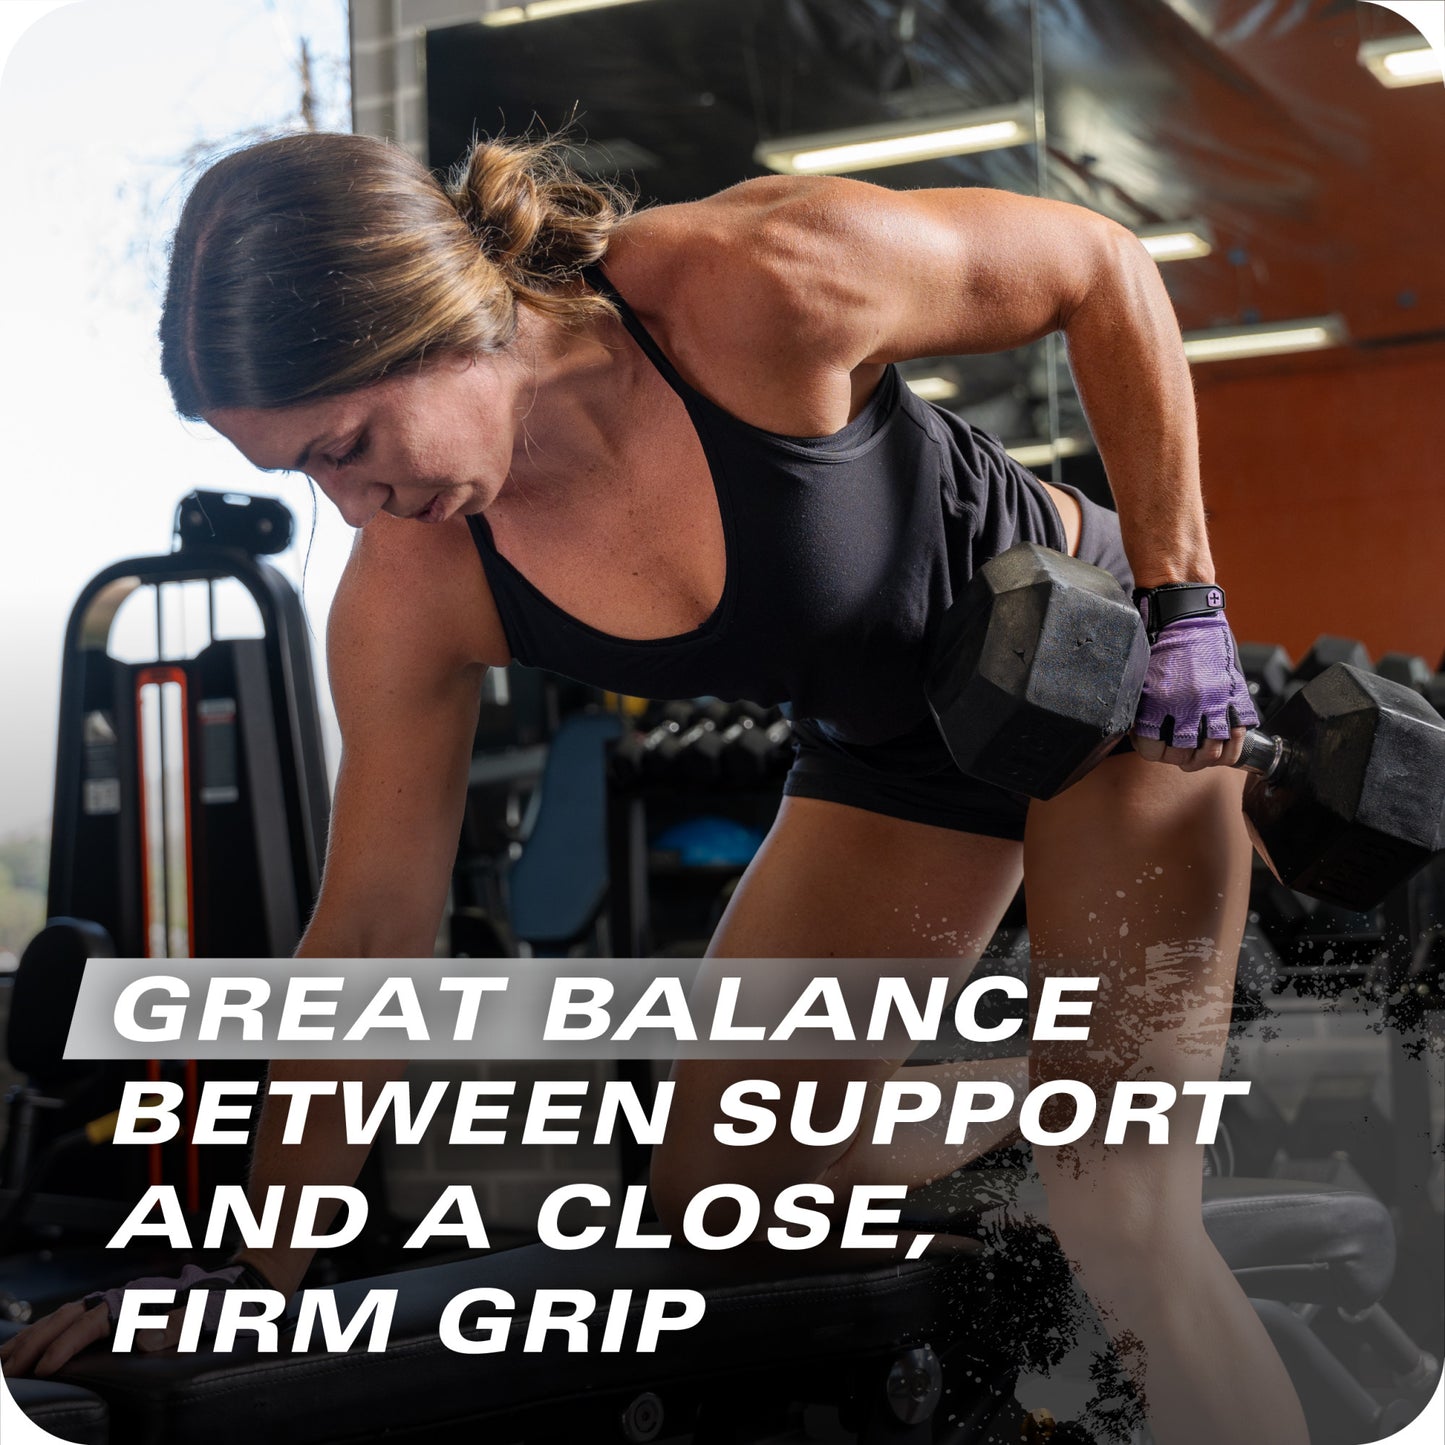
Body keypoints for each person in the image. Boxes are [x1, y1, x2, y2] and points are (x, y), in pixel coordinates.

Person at [1, 130, 1301, 1445]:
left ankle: (1096, 1121)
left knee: (1120, 1210)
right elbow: (371, 933)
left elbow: (1101, 264)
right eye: (302, 475)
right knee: (722, 1198)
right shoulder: (417, 583)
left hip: (1103, 686)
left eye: (345, 443)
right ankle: (1042, 1082)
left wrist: (1185, 598)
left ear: (430, 322)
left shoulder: (747, 282)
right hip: (894, 757)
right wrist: (256, 1273)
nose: (350, 502)